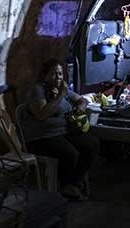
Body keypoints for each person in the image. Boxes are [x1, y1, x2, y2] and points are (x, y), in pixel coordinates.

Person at [22, 58, 99, 200]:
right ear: (44, 75)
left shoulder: (63, 88)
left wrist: (78, 110)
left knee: (91, 144)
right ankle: (65, 186)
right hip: (42, 136)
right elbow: (42, 114)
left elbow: (82, 100)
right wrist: (61, 95)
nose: (57, 77)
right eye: (53, 74)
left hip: (63, 131)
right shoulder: (38, 90)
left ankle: (73, 184)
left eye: (60, 74)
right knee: (71, 153)